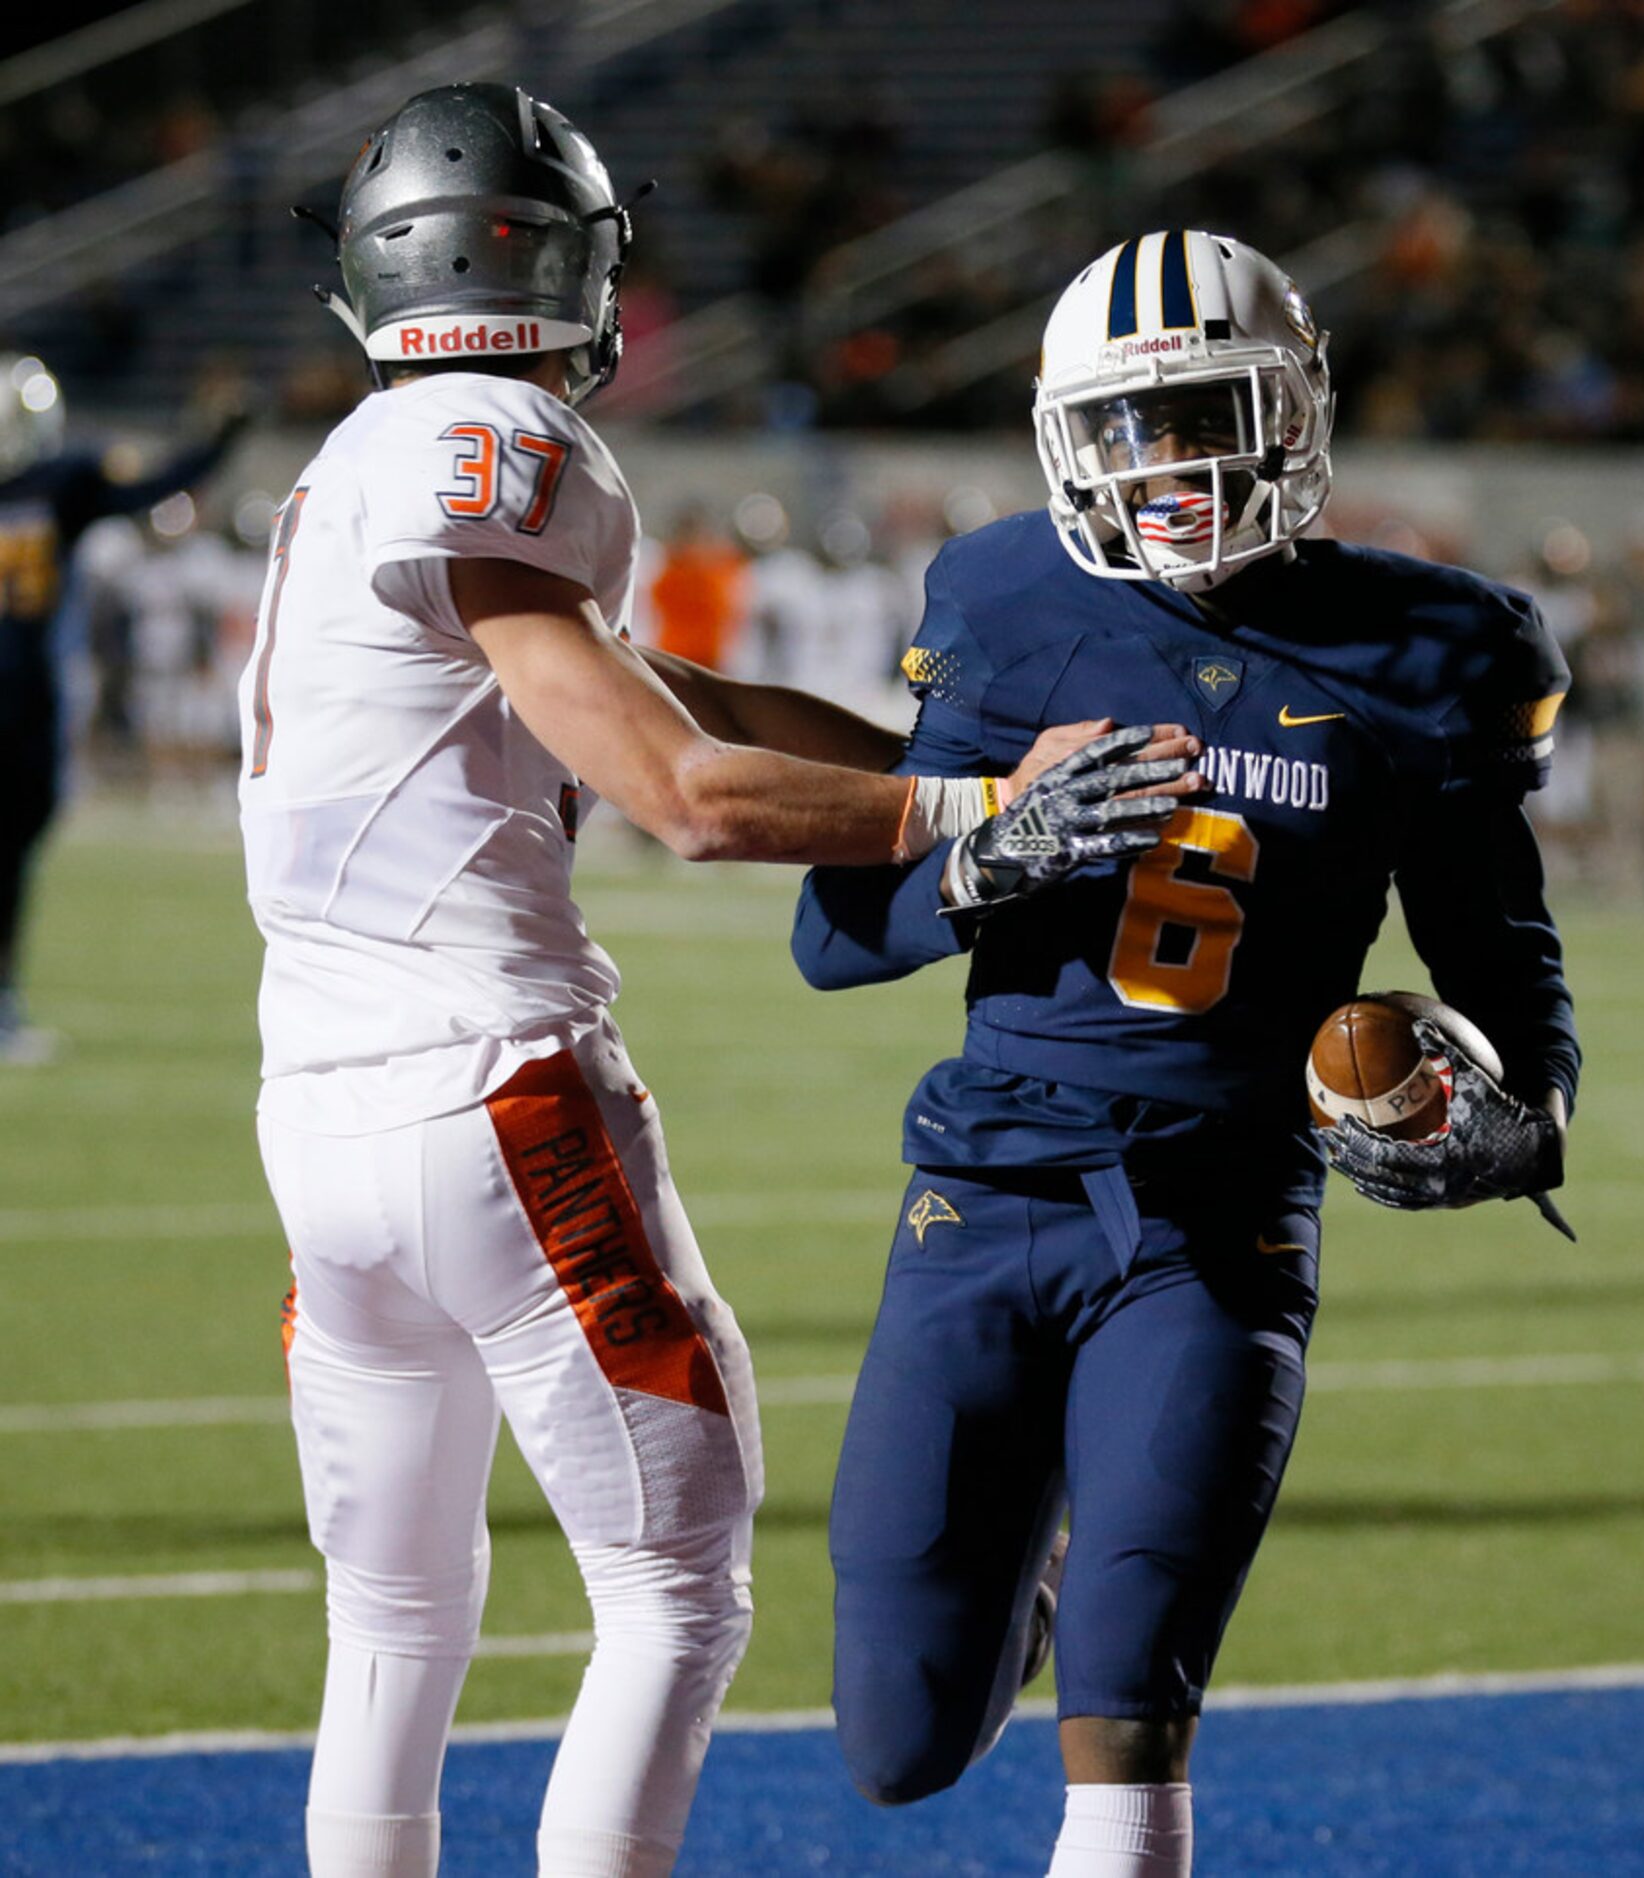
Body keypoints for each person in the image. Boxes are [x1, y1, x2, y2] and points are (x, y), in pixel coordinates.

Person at [243, 86, 1195, 1878]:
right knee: (675, 1588)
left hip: (319, 1117)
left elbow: (677, 694)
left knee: (390, 1619)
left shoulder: (361, 463)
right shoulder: (502, 441)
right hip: (490, 1091)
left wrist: (940, 753)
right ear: (561, 261)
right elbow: (683, 792)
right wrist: (984, 808)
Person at [792, 230, 1579, 1877]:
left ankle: (1102, 1609)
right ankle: (1037, 1587)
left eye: (1209, 412)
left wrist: (1528, 1110)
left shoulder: (1432, 648)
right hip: (983, 1193)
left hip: (1217, 1222)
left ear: (1295, 415)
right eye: (1129, 426)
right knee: (894, 1739)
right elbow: (832, 934)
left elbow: (1493, 945)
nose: (1168, 464)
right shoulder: (1000, 598)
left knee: (1128, 1734)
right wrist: (988, 854)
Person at [0, 355, 243, 1062]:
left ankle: (4, 1001)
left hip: (26, 703)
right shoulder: (57, 483)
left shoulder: (60, 484)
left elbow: (152, 487)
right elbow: (151, 487)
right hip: (24, 697)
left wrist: (215, 441)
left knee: (15, 854)